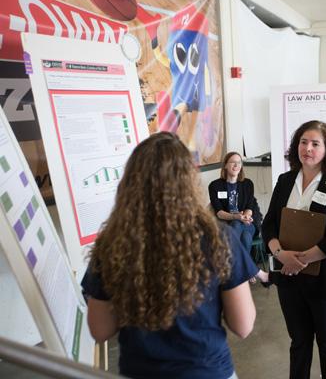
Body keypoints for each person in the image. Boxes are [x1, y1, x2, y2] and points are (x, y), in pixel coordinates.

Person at [82, 132, 257, 379]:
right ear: (188, 182)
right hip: (207, 371)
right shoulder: (219, 239)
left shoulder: (113, 242)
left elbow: (100, 329)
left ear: (131, 181)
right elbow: (243, 325)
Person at [261, 120, 326, 379]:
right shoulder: (285, 180)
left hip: (325, 280)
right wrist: (280, 255)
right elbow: (269, 225)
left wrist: (299, 260)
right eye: (303, 142)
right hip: (288, 278)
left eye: (316, 143)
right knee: (299, 343)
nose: (308, 149)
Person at [209, 152, 262, 254]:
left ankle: (230, 264)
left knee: (239, 227)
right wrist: (236, 217)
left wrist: (245, 217)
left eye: (239, 162)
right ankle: (244, 268)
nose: (236, 165)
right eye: (233, 162)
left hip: (247, 223)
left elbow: (250, 207)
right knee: (245, 237)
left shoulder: (248, 184)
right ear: (225, 165)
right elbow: (219, 212)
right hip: (225, 224)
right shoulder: (215, 186)